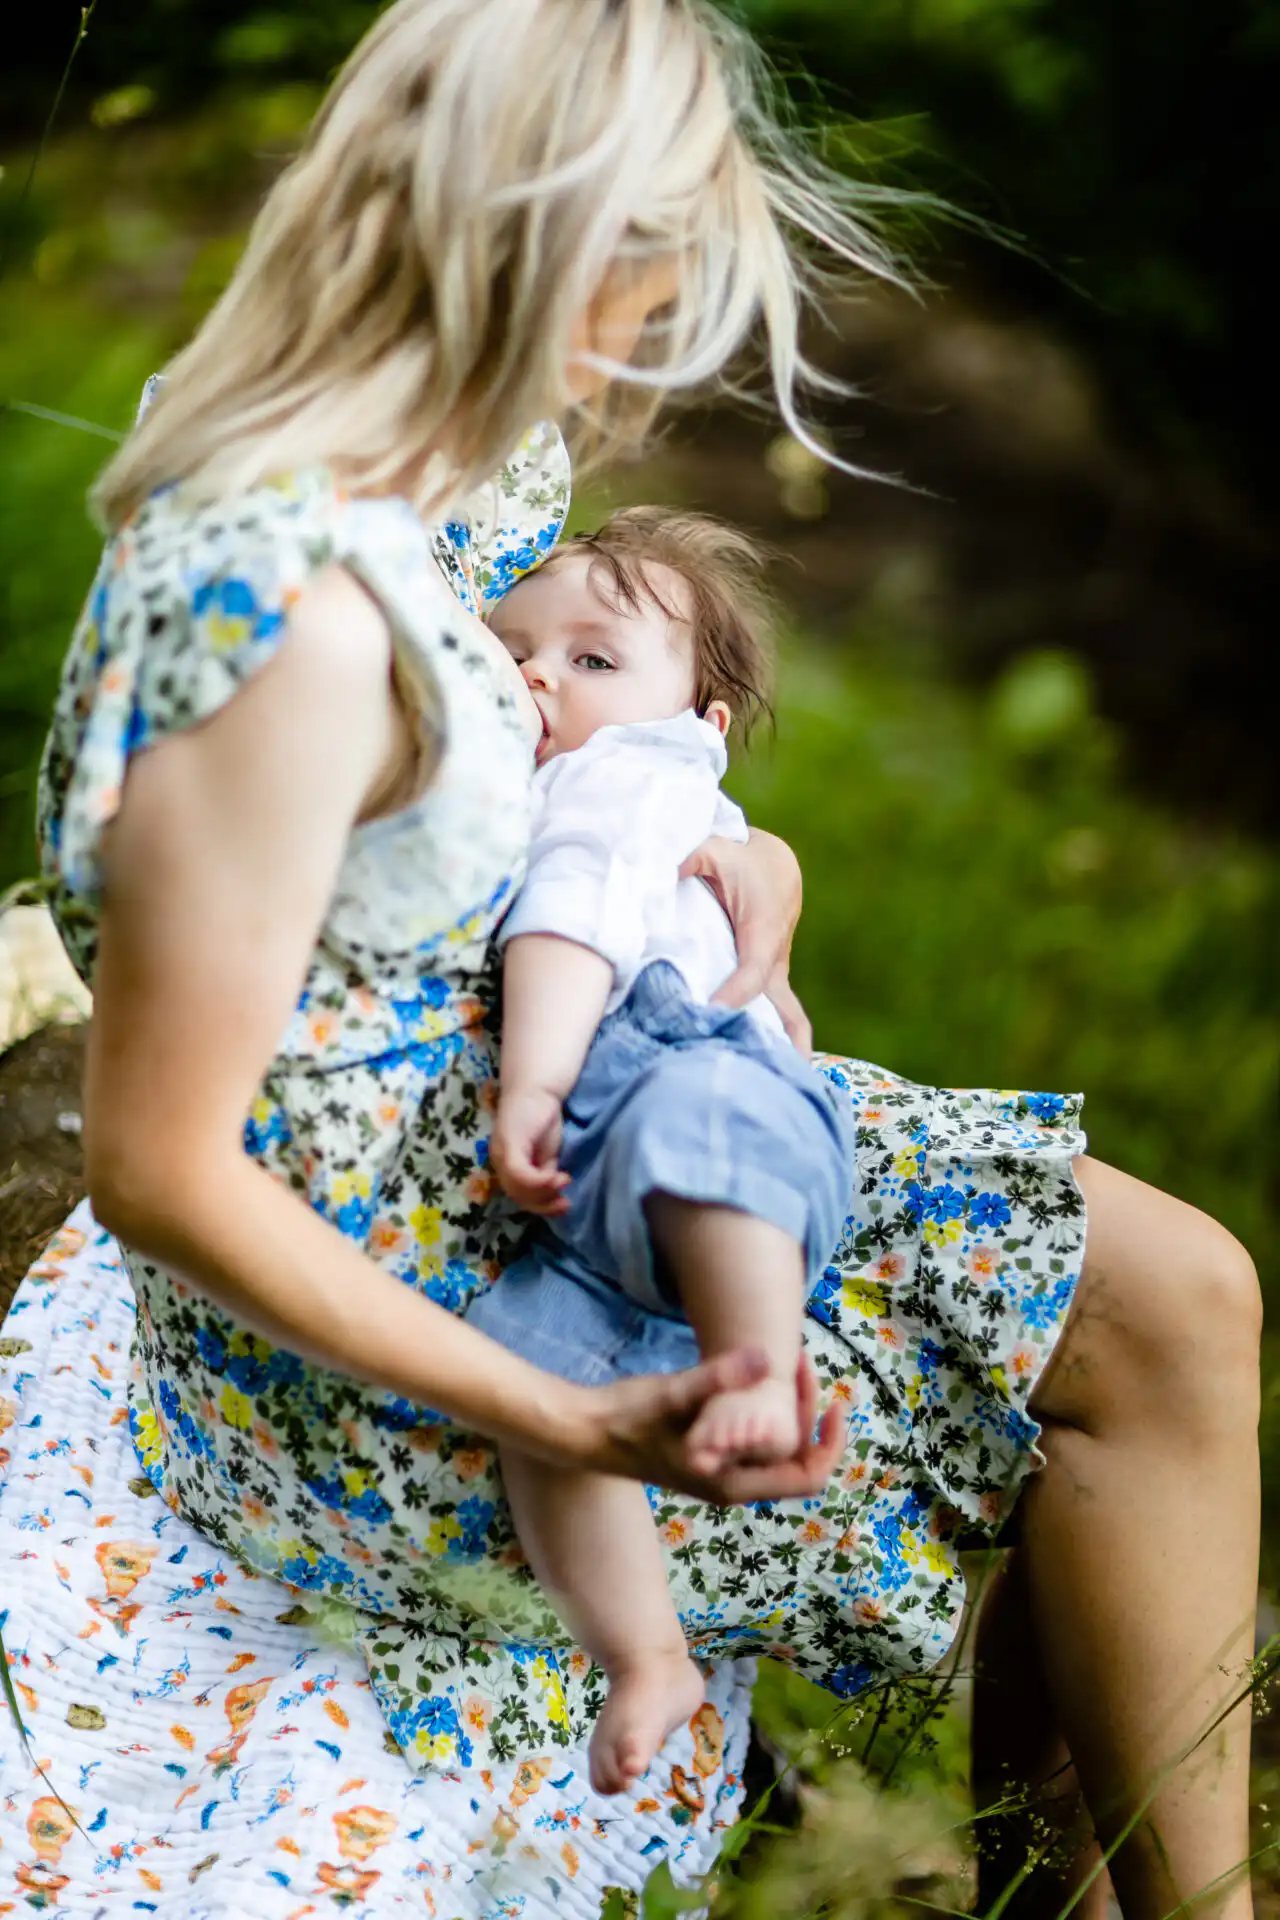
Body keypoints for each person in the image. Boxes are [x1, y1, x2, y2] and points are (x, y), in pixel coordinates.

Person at [27, 0, 1261, 1912]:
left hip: (537, 1100)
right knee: (1146, 1333)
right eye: (666, 254)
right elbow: (157, 1168)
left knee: (1178, 1291)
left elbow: (484, 781)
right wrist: (567, 1417)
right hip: (428, 1352)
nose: (671, 319)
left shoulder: (448, 463)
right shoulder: (282, 621)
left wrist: (707, 832)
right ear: (554, 235)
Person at [466, 506, 859, 1793]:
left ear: (697, 723)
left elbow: (573, 914)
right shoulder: (553, 771)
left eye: (591, 658)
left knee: (706, 1140)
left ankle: (759, 1361)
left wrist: (533, 1079)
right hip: (613, 1176)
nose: (537, 675)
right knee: (542, 1389)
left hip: (686, 1070)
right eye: (509, 647)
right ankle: (645, 1655)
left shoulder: (624, 775)